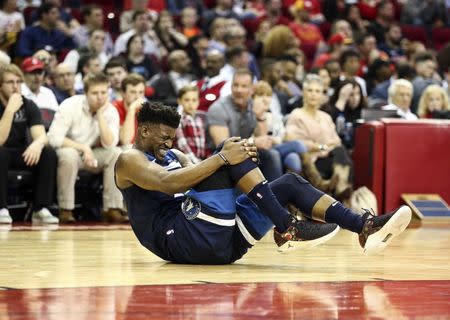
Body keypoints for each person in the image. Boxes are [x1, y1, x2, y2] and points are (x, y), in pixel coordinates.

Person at [114, 101, 412, 264]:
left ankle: (363, 226)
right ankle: (287, 227)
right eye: (163, 137)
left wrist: (238, 156)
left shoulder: (174, 152)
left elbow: (201, 179)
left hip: (221, 244)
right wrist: (226, 157)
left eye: (172, 137)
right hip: (178, 239)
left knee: (290, 183)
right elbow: (168, 183)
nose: (169, 143)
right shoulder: (129, 160)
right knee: (226, 154)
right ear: (143, 132)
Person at [47, 72, 127, 224]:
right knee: (69, 155)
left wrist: (100, 115)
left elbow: (109, 144)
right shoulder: (70, 105)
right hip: (70, 149)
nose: (100, 97)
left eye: (104, 92)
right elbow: (54, 138)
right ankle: (66, 209)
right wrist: (83, 148)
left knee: (117, 153)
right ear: (85, 93)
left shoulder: (110, 111)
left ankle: (112, 208)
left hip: (93, 154)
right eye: (95, 93)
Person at [0, 64, 58, 224]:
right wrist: (10, 110)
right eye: (10, 82)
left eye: (18, 82)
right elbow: (0, 140)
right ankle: (1, 208)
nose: (15, 86)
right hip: (2, 152)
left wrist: (37, 144)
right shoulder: (10, 106)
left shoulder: (28, 104)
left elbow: (41, 135)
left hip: (19, 152)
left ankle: (40, 208)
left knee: (48, 152)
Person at [174, 85, 211, 164]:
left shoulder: (200, 119)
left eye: (194, 100)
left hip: (200, 160)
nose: (191, 104)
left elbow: (204, 143)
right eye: (187, 100)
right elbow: (182, 144)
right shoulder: (179, 119)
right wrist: (197, 163)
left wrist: (208, 159)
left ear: (198, 101)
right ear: (179, 101)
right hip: (185, 162)